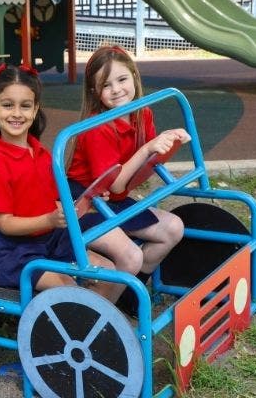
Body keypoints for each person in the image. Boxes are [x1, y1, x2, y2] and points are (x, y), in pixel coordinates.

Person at [0, 64, 124, 301]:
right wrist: (49, 219)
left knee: (107, 272)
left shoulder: (43, 153)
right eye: (7, 105)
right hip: (16, 250)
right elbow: (5, 224)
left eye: (25, 106)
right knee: (70, 288)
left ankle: (97, 328)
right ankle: (82, 327)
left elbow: (57, 200)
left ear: (35, 109)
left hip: (49, 238)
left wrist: (89, 198)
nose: (17, 113)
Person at [67, 45, 191, 315]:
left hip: (111, 199)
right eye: (106, 85)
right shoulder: (97, 127)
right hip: (83, 201)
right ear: (94, 92)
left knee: (173, 228)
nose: (116, 90)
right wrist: (148, 149)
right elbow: (116, 183)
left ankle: (126, 295)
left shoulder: (142, 112)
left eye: (122, 79)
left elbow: (144, 167)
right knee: (130, 256)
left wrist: (170, 141)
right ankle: (96, 317)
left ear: (134, 76)